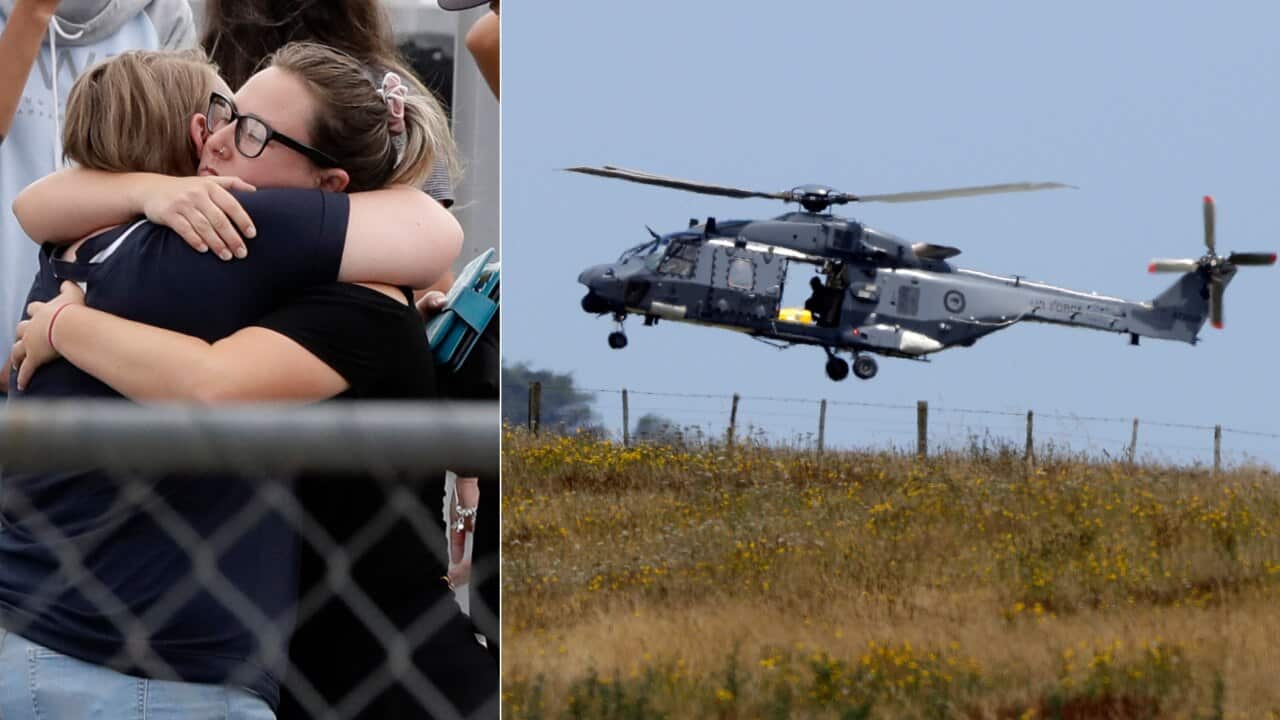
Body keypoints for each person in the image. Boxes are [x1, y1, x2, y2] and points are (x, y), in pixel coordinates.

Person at [0, 44, 475, 719]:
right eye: (222, 114)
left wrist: (64, 324)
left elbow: (31, 204)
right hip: (195, 671)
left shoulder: (78, 248)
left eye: (248, 129)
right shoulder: (237, 235)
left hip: (46, 638)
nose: (218, 139)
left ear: (332, 187)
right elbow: (433, 232)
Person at [0, 0, 195, 393]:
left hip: (86, 345)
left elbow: (182, 170)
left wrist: (72, 299)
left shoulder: (164, 12)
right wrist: (32, 14)